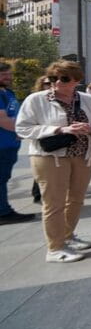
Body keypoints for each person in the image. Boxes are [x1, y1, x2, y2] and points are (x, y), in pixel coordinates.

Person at [15, 60, 91, 263]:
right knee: (53, 203)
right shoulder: (36, 99)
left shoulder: (87, 99)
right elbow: (22, 128)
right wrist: (58, 129)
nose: (57, 82)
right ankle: (55, 248)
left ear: (76, 80)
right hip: (49, 158)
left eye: (63, 78)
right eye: (53, 78)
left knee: (76, 199)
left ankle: (67, 236)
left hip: (83, 155)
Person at [0, 62, 36, 225]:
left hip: (9, 144)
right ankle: (3, 212)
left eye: (9, 73)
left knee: (3, 177)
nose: (8, 77)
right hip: (2, 144)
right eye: (3, 74)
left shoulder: (7, 92)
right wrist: (22, 130)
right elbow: (3, 120)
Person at [29, 76, 53, 204]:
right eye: (47, 84)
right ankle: (38, 193)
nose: (50, 85)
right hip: (42, 137)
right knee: (42, 169)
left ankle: (37, 192)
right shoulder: (36, 99)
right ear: (41, 85)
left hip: (58, 138)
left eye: (51, 83)